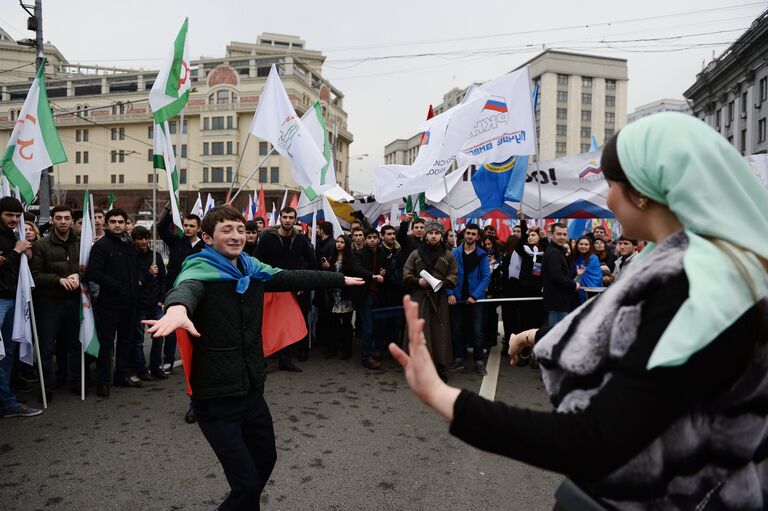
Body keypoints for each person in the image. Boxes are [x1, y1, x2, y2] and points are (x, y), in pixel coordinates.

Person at [390, 112, 768, 509]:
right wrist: (534, 336)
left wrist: (440, 395)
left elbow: (593, 440)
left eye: (611, 185)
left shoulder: (693, 288)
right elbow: (634, 342)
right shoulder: (698, 270)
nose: (607, 200)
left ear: (642, 192)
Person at [145, 205, 362, 511]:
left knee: (265, 460)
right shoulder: (199, 271)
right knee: (246, 485)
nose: (236, 237)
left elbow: (292, 276)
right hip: (216, 398)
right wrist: (177, 310)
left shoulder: (253, 268)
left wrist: (339, 280)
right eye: (226, 230)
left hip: (251, 390)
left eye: (240, 230)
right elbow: (185, 290)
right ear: (207, 237)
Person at [85, 208, 140, 397]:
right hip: (110, 303)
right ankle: (103, 382)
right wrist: (116, 286)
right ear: (107, 224)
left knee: (126, 342)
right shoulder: (101, 246)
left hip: (130, 303)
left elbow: (134, 269)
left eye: (121, 222)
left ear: (126, 224)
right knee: (107, 344)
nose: (117, 225)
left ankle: (121, 375)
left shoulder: (129, 245)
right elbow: (92, 272)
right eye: (113, 222)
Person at [254, 206, 316, 371]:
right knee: (268, 324)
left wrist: (303, 282)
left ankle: (285, 360)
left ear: (295, 219)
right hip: (271, 286)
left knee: (287, 325)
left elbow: (312, 263)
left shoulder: (302, 240)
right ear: (280, 218)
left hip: (291, 288)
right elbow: (257, 261)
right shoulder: (267, 237)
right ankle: (264, 360)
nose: (288, 220)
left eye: (291, 217)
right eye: (285, 217)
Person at [29, 205, 82, 399]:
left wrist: (79, 275)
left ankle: (76, 382)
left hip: (74, 301)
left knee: (76, 344)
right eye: (58, 218)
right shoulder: (41, 245)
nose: (63, 221)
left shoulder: (80, 242)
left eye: (66, 218)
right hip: (50, 302)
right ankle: (47, 388)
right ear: (52, 220)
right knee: (47, 347)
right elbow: (35, 275)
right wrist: (59, 280)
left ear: (71, 220)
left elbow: (89, 267)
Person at [402, 219, 457, 383]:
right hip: (420, 297)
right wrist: (418, 281)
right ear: (426, 235)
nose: (433, 236)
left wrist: (443, 283)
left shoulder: (449, 255)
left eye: (437, 233)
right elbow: (406, 273)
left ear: (442, 236)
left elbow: (454, 275)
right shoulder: (416, 254)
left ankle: (440, 367)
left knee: (440, 333)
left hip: (439, 298)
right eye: (430, 233)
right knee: (420, 332)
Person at [0, 197, 41, 417]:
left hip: (13, 298)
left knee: (7, 353)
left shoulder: (14, 236)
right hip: (1, 301)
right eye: (9, 215)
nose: (14, 220)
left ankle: (6, 401)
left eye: (17, 216)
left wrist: (26, 255)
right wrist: (16, 252)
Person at [158, 209, 205, 375]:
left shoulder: (205, 247)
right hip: (175, 290)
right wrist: (169, 211)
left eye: (192, 226)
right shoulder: (176, 241)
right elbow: (161, 229)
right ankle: (168, 361)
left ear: (198, 228)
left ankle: (198, 362)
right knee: (172, 328)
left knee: (196, 327)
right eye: (185, 225)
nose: (188, 228)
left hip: (197, 292)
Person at [446, 223, 490, 376]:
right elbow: (447, 275)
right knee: (457, 330)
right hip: (457, 299)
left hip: (475, 300)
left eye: (473, 234)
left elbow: (485, 278)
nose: (470, 236)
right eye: (468, 233)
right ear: (464, 234)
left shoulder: (482, 255)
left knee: (477, 331)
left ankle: (479, 361)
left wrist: (474, 296)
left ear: (478, 237)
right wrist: (450, 293)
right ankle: (458, 358)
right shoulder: (454, 253)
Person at [131, 225, 167, 380]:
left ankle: (155, 366)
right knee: (138, 340)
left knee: (159, 337)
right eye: (140, 239)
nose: (144, 241)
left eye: (146, 238)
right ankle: (141, 369)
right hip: (139, 304)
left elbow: (163, 279)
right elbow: (135, 282)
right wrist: (148, 273)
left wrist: (161, 299)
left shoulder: (156, 256)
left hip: (155, 304)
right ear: (134, 240)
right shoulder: (131, 258)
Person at [351, 228, 388, 369]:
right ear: (365, 240)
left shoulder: (382, 253)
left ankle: (376, 351)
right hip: (364, 295)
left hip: (379, 294)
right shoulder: (358, 254)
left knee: (379, 325)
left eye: (374, 237)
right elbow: (357, 269)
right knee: (368, 327)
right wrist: (373, 276)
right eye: (369, 237)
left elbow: (387, 269)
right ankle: (366, 356)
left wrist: (385, 273)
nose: (372, 239)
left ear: (378, 239)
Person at [321, 235, 356, 359]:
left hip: (345, 296)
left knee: (346, 324)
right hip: (333, 296)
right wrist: (327, 267)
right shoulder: (332, 258)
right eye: (338, 242)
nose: (339, 244)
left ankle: (347, 350)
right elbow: (329, 276)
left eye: (342, 242)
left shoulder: (351, 259)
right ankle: (332, 349)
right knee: (332, 323)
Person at [541, 222, 582, 327]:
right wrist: (574, 284)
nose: (562, 237)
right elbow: (556, 276)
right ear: (551, 234)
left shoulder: (557, 250)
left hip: (560, 300)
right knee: (556, 336)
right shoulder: (554, 252)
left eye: (564, 234)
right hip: (557, 301)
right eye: (559, 234)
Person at [570, 236, 603, 304]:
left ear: (590, 246)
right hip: (575, 290)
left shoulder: (594, 258)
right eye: (581, 244)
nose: (583, 246)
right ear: (577, 245)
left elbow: (596, 277)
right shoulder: (573, 257)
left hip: (590, 292)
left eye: (586, 244)